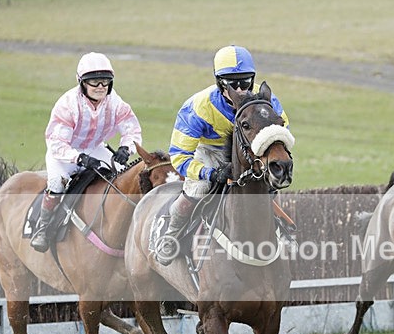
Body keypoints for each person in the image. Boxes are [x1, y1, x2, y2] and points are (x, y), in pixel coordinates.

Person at [157, 45, 289, 264]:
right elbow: (179, 157)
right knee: (199, 188)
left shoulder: (268, 101)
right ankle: (172, 233)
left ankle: (282, 229)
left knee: (267, 184)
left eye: (245, 82)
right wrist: (210, 173)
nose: (240, 89)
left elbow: (283, 132)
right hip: (211, 151)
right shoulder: (199, 107)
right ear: (220, 83)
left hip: (250, 152)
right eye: (232, 84)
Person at [30, 52, 143, 253]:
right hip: (65, 152)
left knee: (123, 173)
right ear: (82, 83)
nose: (100, 87)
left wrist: (126, 148)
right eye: (94, 82)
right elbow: (57, 142)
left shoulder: (115, 102)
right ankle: (43, 228)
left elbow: (131, 128)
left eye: (105, 82)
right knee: (57, 183)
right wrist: (80, 158)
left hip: (95, 148)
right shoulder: (68, 104)